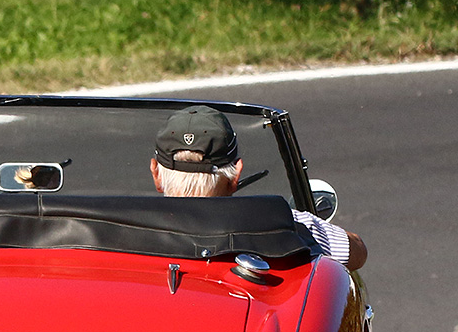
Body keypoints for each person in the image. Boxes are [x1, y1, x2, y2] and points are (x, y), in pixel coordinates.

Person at [150, 105, 367, 270]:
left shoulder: (121, 230)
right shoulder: (284, 224)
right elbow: (357, 252)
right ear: (236, 174)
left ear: (156, 174)